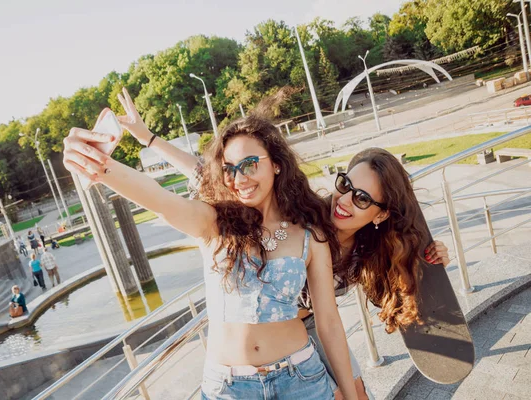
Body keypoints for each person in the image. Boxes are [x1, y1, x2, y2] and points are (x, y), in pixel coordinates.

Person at [119, 108, 450, 399]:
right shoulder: (307, 217)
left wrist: (432, 256)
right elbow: (211, 173)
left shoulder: (371, 248)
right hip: (278, 335)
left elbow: (346, 312)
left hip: (314, 332)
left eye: (362, 198)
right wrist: (149, 138)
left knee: (358, 394)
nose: (345, 200)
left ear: (379, 214)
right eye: (345, 185)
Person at [62, 88, 358, 400]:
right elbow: (159, 200)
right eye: (230, 169)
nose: (239, 178)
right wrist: (98, 165)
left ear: (276, 164)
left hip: (301, 379)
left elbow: (329, 323)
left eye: (250, 164)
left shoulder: (310, 235)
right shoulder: (214, 223)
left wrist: (351, 396)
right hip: (228, 389)